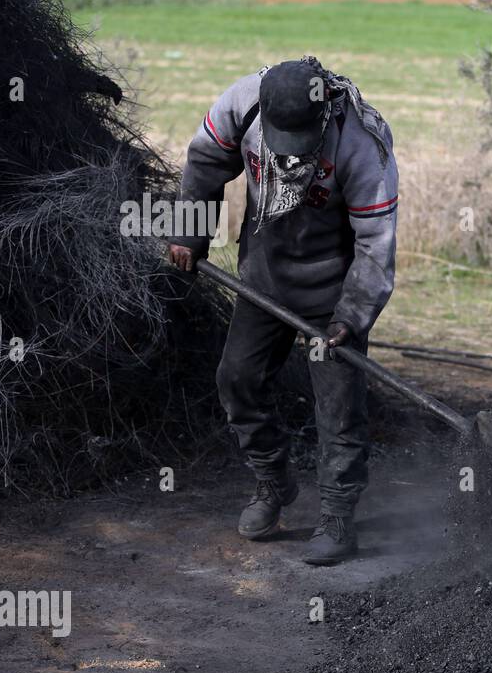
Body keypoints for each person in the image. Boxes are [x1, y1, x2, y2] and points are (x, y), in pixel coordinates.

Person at [169, 57, 399, 565]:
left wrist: (351, 316)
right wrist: (189, 232)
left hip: (334, 294)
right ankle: (273, 482)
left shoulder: (362, 142)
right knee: (237, 380)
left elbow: (376, 242)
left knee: (337, 407)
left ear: (322, 119)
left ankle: (338, 515)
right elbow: (205, 163)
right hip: (265, 277)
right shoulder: (242, 102)